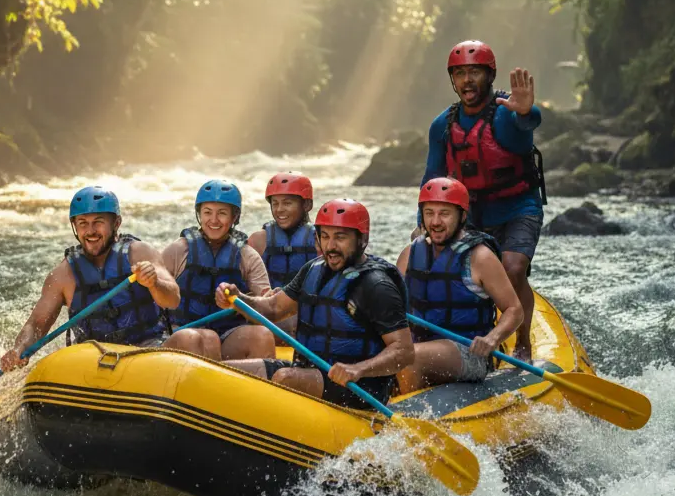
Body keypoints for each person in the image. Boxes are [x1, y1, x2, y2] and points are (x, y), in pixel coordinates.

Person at [216, 199, 414, 409]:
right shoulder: (313, 269)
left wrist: (359, 369)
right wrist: (238, 300)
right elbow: (273, 309)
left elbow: (404, 351)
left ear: (361, 239)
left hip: (359, 385)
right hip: (308, 371)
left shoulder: (377, 285)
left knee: (285, 379)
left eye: (340, 237)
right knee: (222, 373)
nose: (331, 246)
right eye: (325, 236)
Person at [421, 40, 545, 360]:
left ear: (489, 76)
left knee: (513, 268)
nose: (467, 80)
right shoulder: (442, 126)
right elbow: (432, 179)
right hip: (474, 210)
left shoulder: (505, 113)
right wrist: (421, 222)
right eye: (460, 73)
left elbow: (524, 126)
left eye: (474, 72)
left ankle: (522, 344)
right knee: (449, 268)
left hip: (518, 204)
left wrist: (527, 112)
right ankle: (469, 336)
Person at [0, 185, 188, 371]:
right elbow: (36, 324)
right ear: (75, 226)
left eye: (98, 222)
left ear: (116, 223)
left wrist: (154, 283)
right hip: (93, 359)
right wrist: (19, 349)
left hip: (147, 349)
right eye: (82, 223)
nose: (90, 231)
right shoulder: (63, 275)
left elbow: (173, 299)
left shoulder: (139, 253)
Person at [396, 177, 523, 393]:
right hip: (419, 345)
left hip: (468, 353)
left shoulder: (480, 257)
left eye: (444, 213)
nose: (435, 221)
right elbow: (393, 306)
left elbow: (514, 310)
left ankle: (404, 420)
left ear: (462, 216)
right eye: (429, 213)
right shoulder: (410, 254)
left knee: (410, 358)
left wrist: (492, 339)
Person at [162, 179, 276, 362]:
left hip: (229, 334)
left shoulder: (248, 256)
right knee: (207, 338)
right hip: (183, 332)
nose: (214, 220)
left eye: (222, 213)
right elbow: (155, 295)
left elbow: (265, 305)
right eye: (207, 212)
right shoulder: (178, 250)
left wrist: (242, 301)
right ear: (199, 214)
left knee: (261, 336)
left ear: (234, 217)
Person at [247, 172, 319, 339]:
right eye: (275, 203)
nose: (279, 210)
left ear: (307, 205)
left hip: (305, 318)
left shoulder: (321, 241)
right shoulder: (259, 240)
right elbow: (246, 283)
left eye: (287, 203)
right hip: (269, 316)